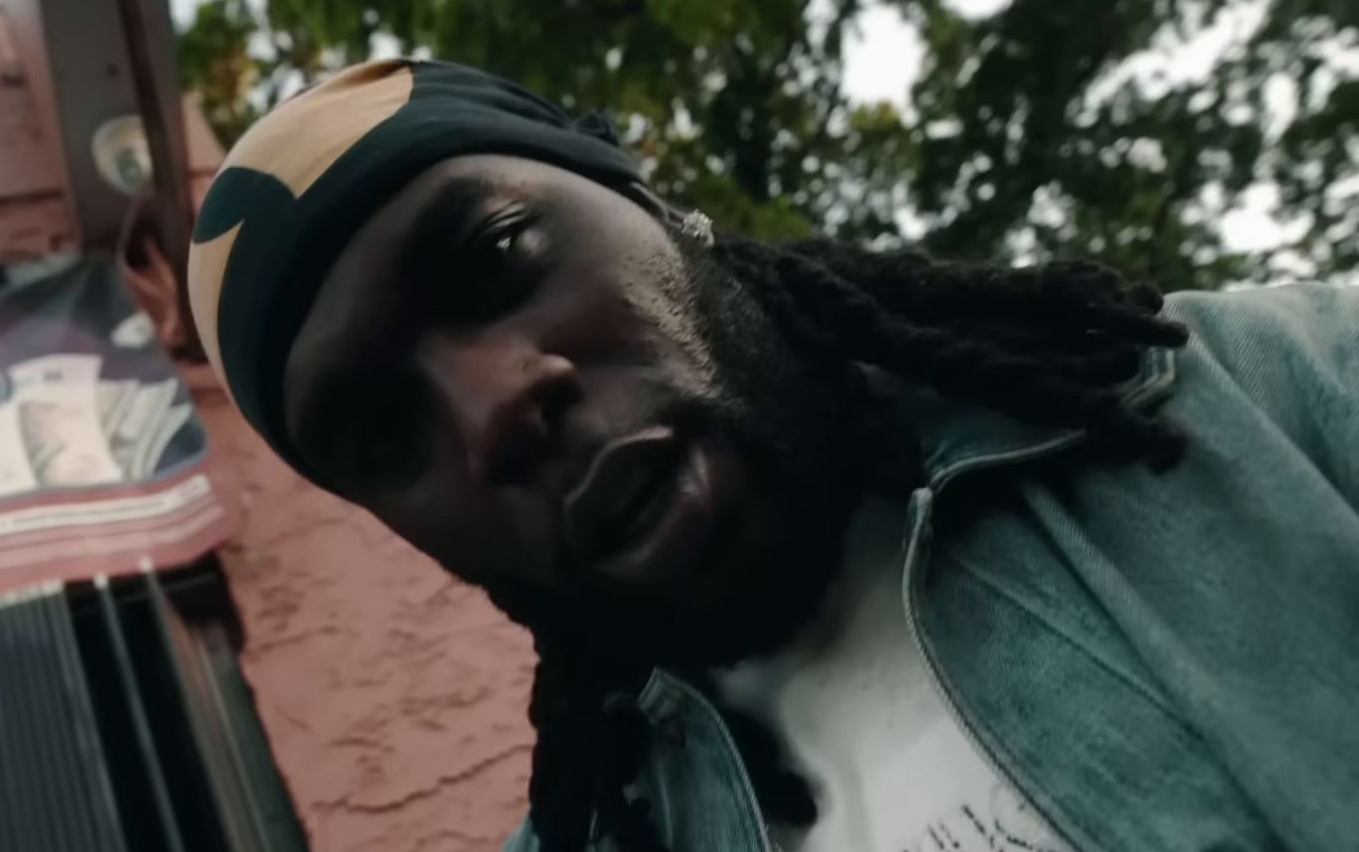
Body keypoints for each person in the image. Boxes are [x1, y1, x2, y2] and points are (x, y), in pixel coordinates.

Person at [186, 58, 1359, 852]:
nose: (496, 408)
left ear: (658, 207)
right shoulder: (603, 824)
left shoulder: (1269, 397)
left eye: (499, 256)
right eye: (384, 434)